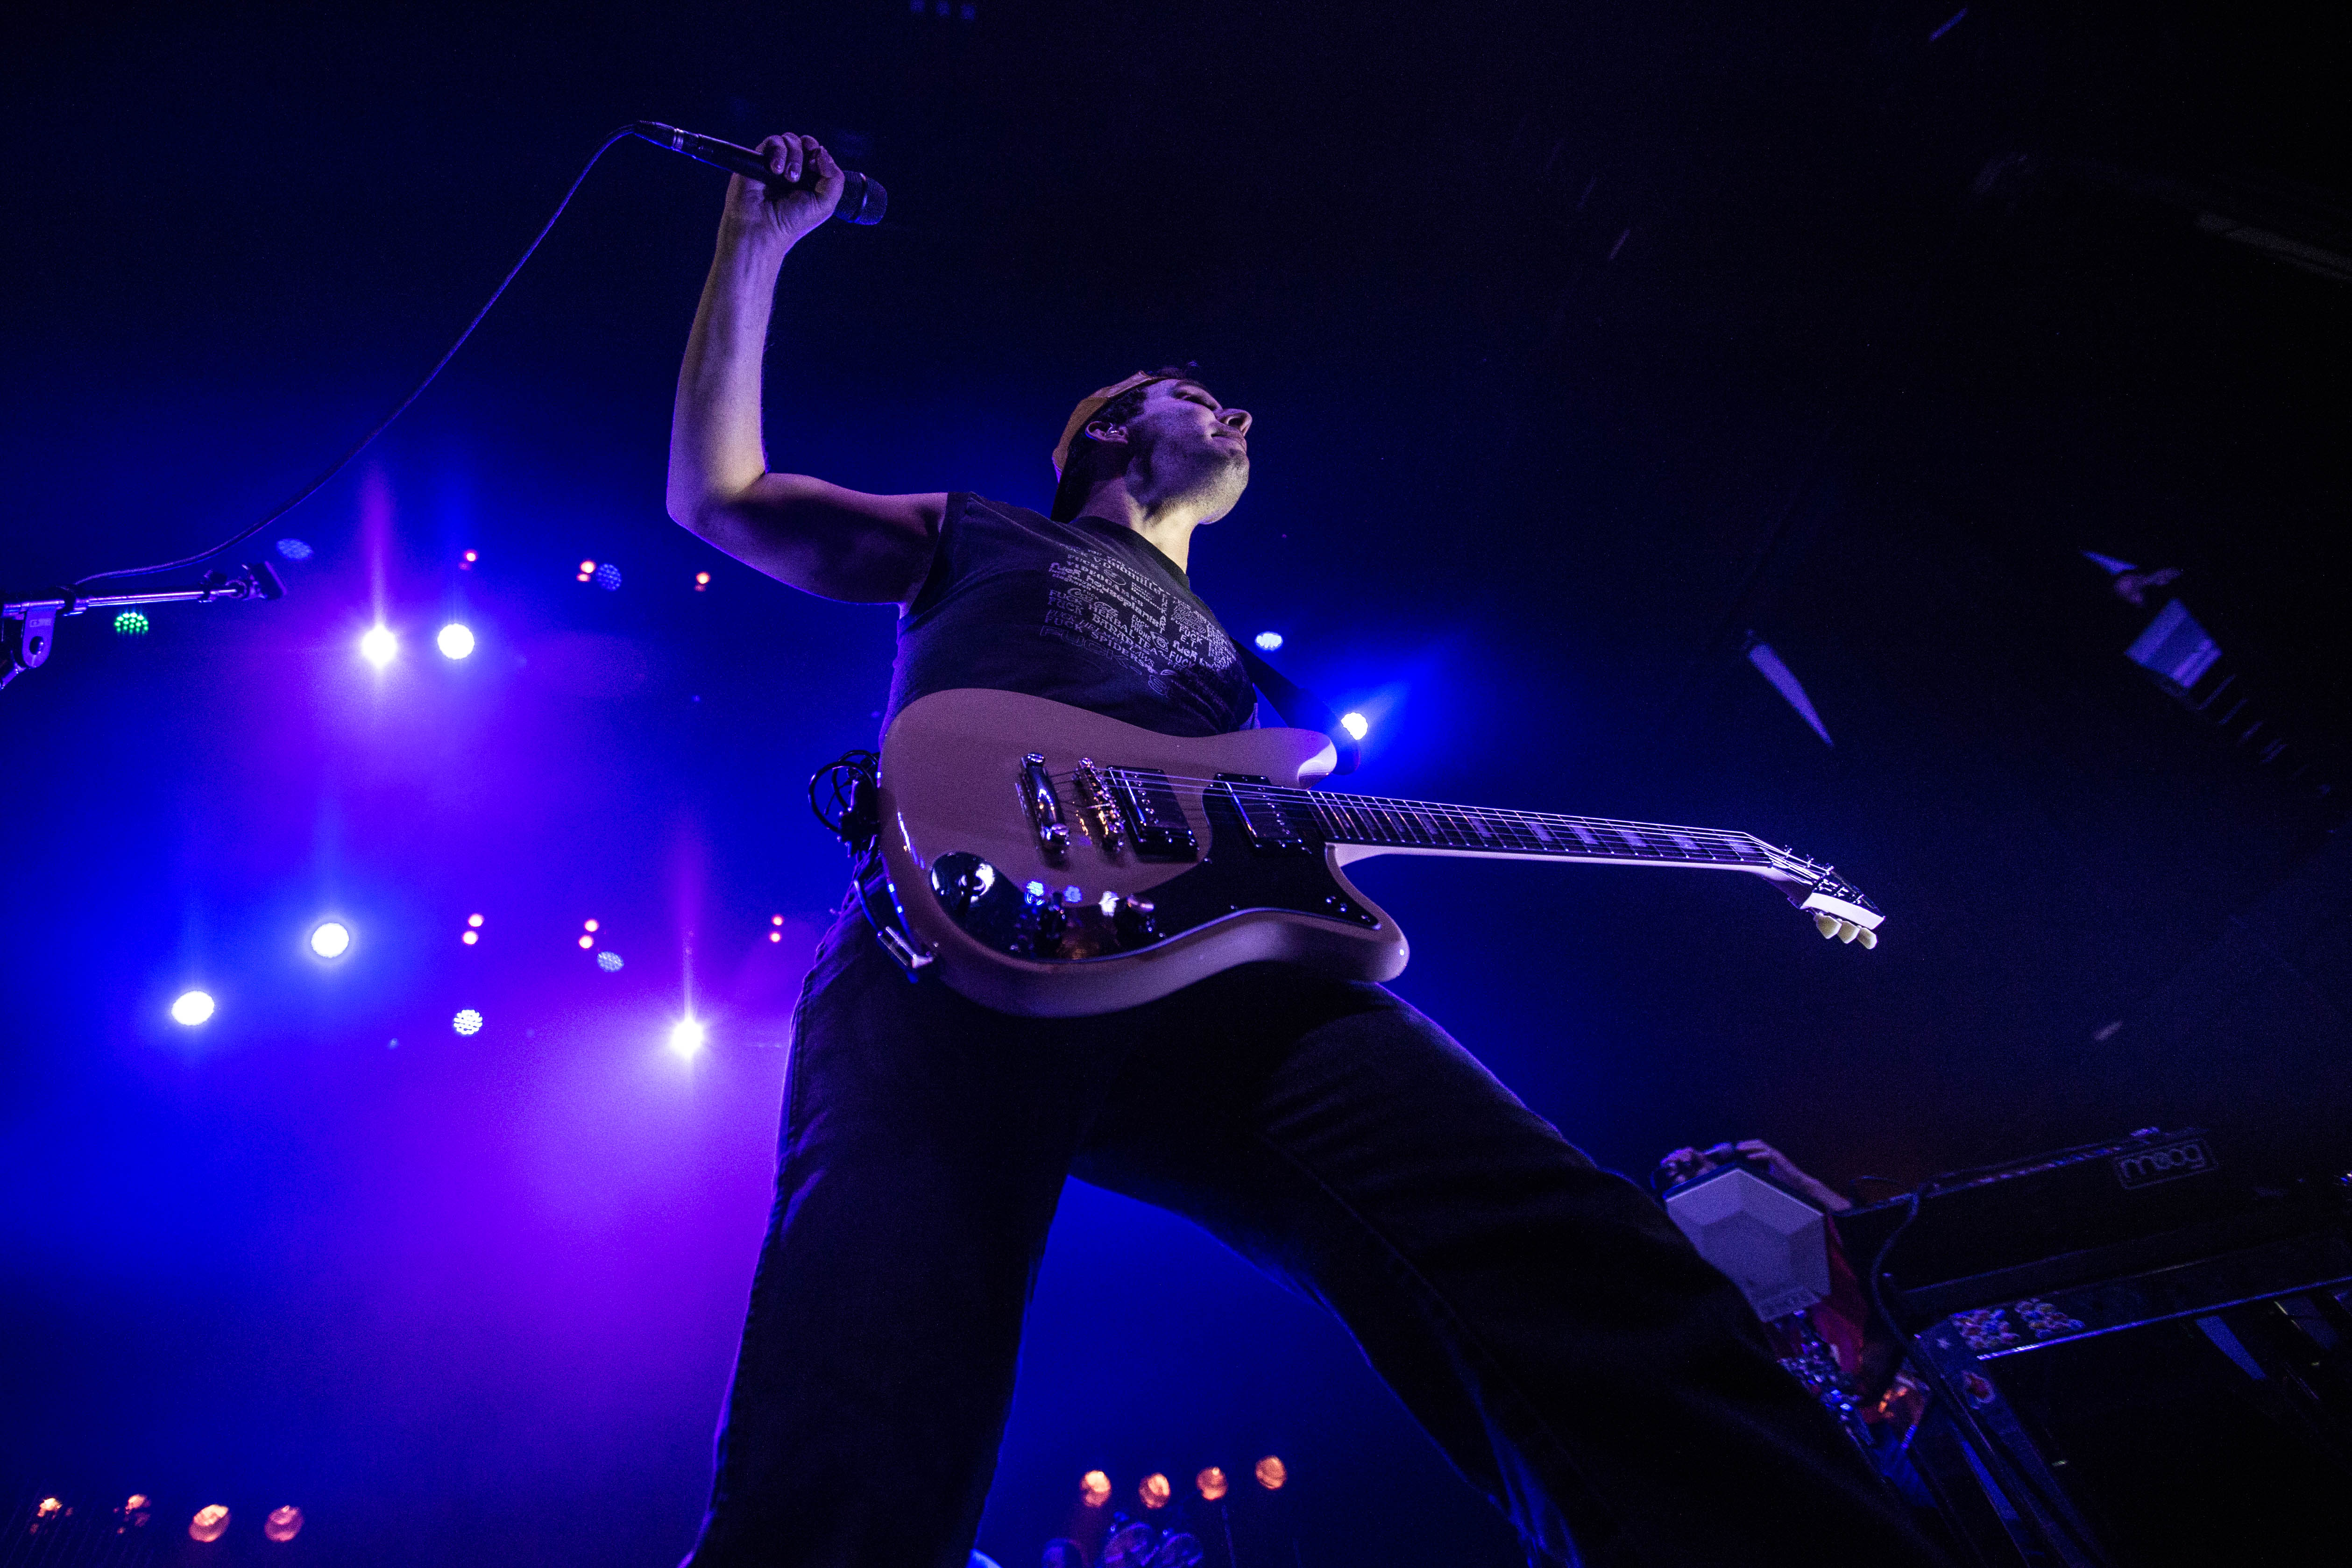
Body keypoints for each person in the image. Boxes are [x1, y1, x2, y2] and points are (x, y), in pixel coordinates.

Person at [666, 130, 1949, 1568]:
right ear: (1106, 432)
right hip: (964, 936)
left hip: (1229, 984)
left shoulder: (1247, 682)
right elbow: (722, 498)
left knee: (1570, 1251)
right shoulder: (985, 534)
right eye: (1195, 396)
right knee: (871, 1389)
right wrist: (757, 244)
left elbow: (1276, 836)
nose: (1238, 415)